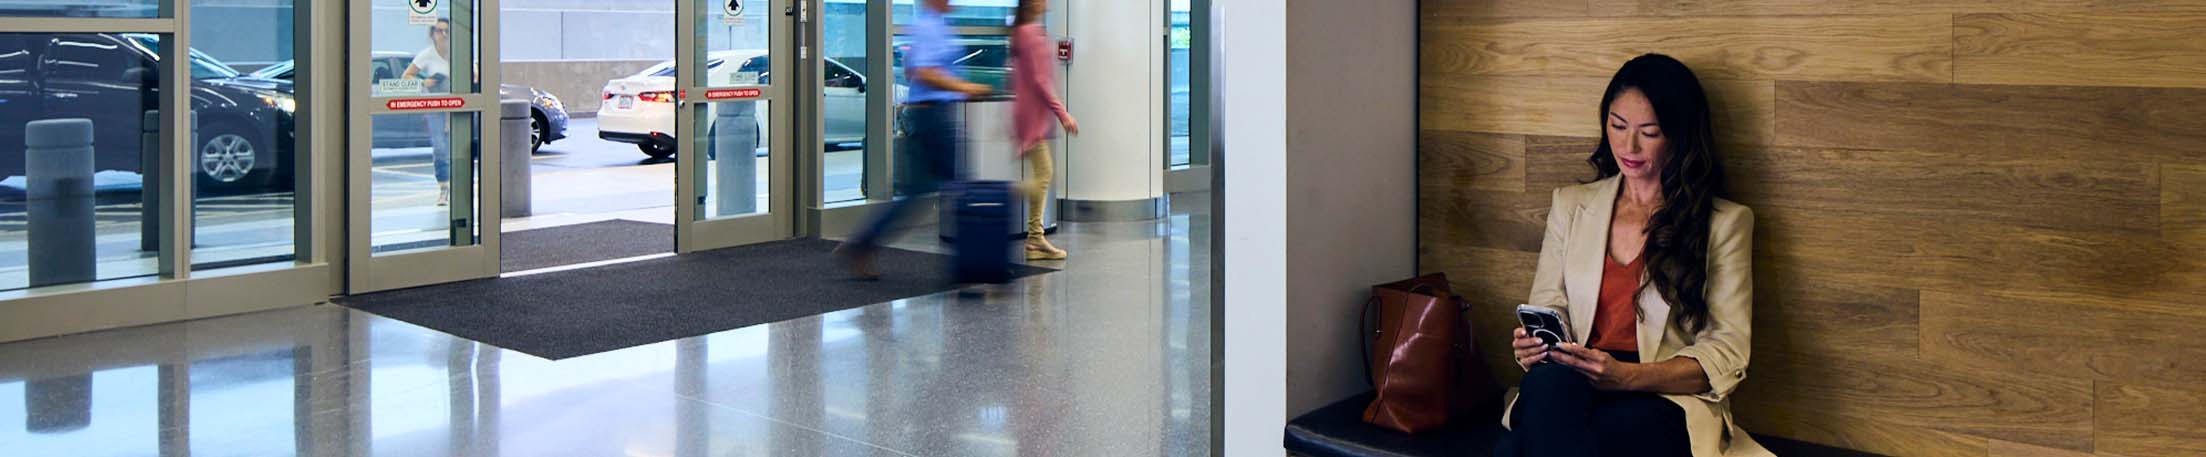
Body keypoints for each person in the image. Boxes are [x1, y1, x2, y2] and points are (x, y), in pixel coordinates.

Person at [1498, 54, 1769, 457]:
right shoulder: (1572, 205)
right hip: (1576, 380)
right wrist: (1536, 346)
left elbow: (1726, 351)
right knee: (1546, 388)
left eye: (1650, 132)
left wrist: (1627, 377)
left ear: (1679, 134)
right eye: (1618, 125)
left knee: (1543, 439)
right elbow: (1548, 305)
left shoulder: (1724, 223)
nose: (1629, 145)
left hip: (1662, 393)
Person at [834, 0, 992, 279]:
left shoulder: (936, 25)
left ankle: (861, 244)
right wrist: (964, 86)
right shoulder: (929, 25)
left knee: (919, 193)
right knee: (960, 187)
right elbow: (924, 71)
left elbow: (910, 68)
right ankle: (977, 263)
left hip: (932, 114)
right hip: (932, 116)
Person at [1008, 0, 1078, 260]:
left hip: (1030, 115)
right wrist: (1063, 114)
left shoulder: (1026, 32)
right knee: (1045, 174)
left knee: (1043, 172)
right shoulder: (1028, 33)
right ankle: (1009, 194)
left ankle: (1035, 239)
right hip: (1033, 117)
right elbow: (1040, 82)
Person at [401, 18, 454, 206]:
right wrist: (424, 82)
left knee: (456, 149)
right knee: (439, 147)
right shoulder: (427, 55)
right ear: (433, 34)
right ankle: (444, 188)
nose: (444, 35)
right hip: (435, 108)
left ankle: (459, 187)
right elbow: (406, 75)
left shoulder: (459, 53)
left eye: (447, 31)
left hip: (456, 107)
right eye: (439, 31)